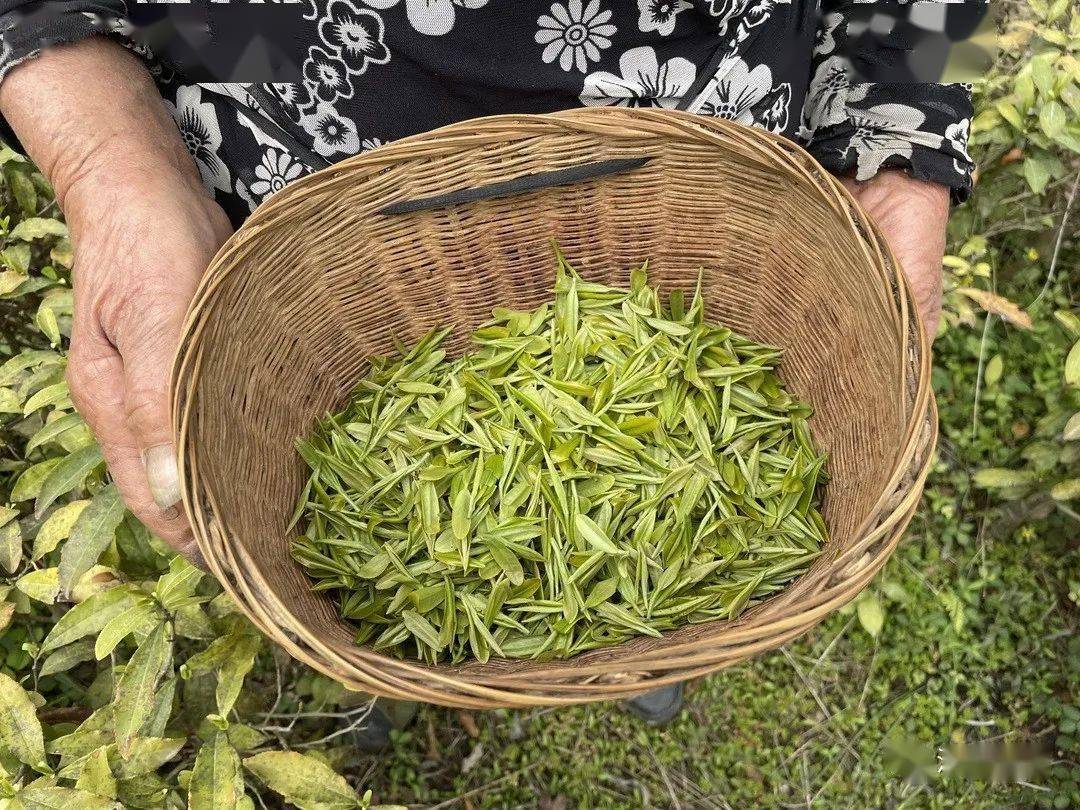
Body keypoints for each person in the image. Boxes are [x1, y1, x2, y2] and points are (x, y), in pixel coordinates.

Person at [0, 0, 982, 730]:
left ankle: (641, 653)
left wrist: (907, 137)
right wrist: (112, 164)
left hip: (699, 159)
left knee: (660, 572)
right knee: (370, 586)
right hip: (301, 139)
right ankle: (403, 667)